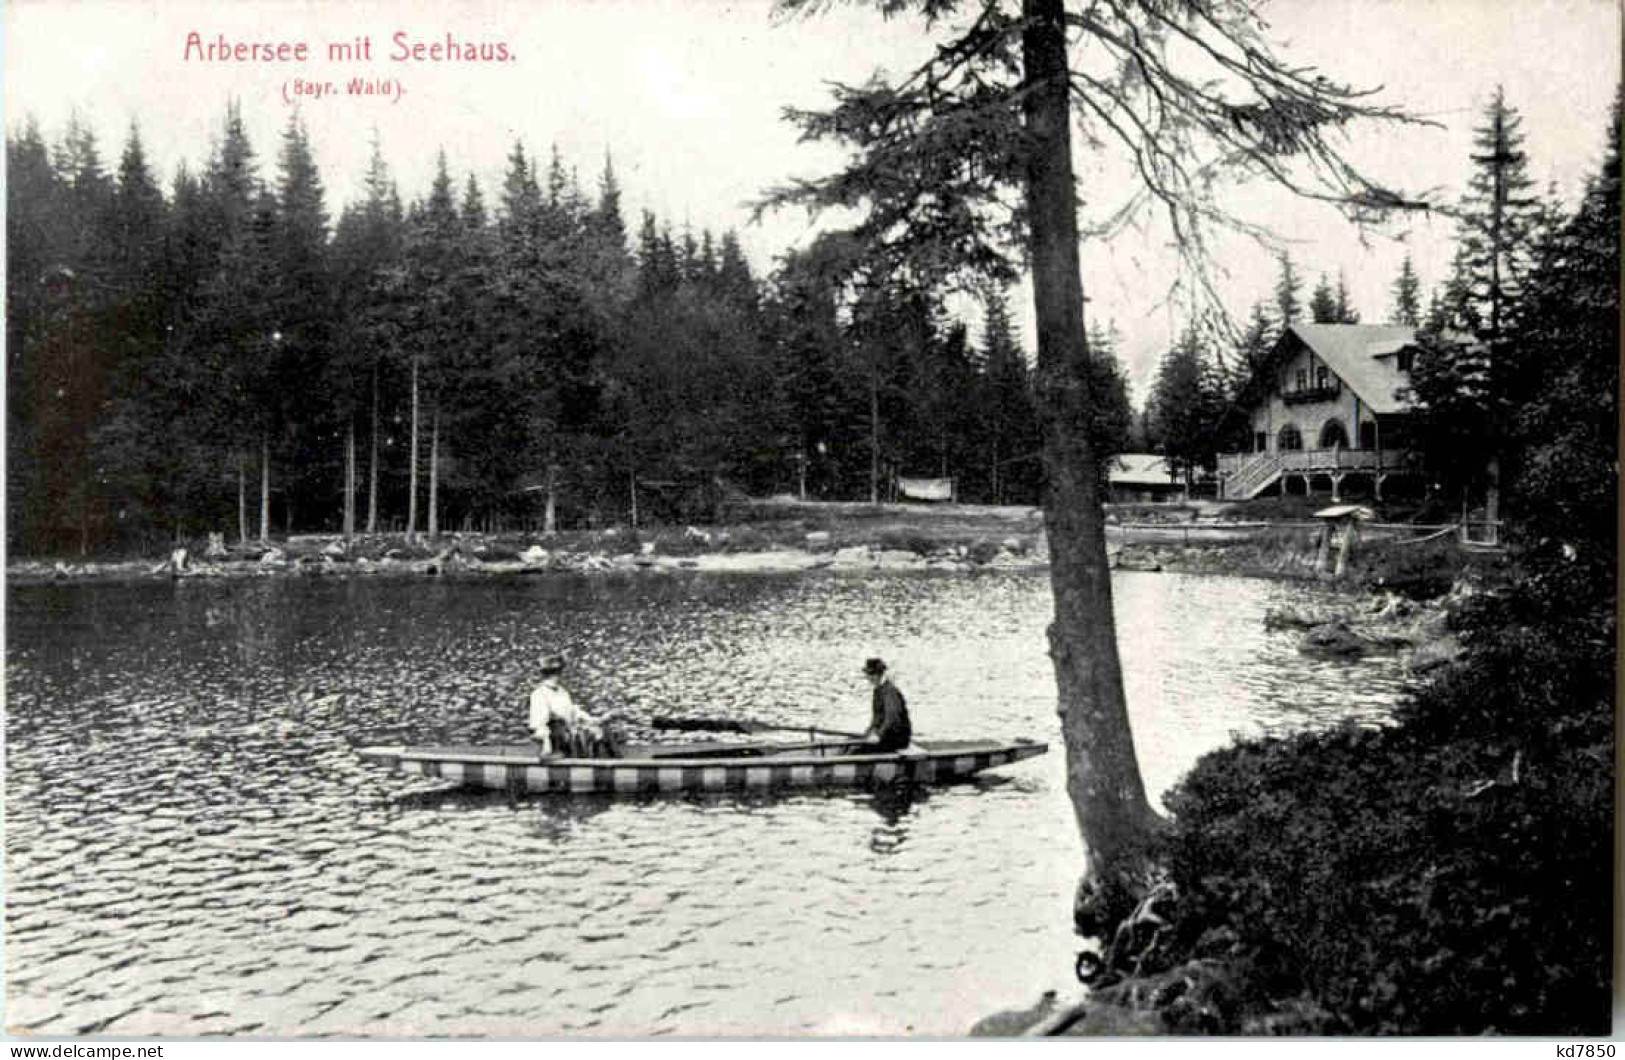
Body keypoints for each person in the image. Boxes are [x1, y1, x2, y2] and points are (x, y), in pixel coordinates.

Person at [528, 654, 620, 758]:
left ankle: (615, 762)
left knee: (604, 730)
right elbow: (538, 724)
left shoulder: (563, 692)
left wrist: (598, 720)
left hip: (569, 733)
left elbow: (575, 712)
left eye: (559, 672)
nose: (560, 675)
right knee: (559, 725)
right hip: (556, 738)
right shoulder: (539, 694)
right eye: (558, 672)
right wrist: (546, 744)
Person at [860, 657, 913, 754]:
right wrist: (868, 733)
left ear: (879, 674)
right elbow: (877, 719)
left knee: (862, 750)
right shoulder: (878, 690)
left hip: (897, 739)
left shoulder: (890, 691)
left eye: (871, 674)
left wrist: (879, 735)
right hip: (887, 735)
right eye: (868, 674)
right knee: (857, 746)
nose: (868, 678)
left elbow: (892, 720)